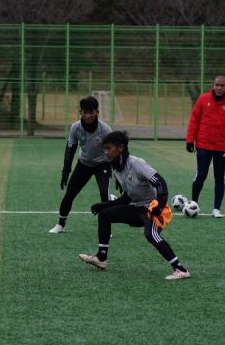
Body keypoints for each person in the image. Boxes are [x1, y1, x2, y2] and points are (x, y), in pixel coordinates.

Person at [78, 131, 190, 280]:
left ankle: (181, 269)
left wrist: (159, 205)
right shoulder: (117, 168)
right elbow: (128, 196)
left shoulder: (136, 163)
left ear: (121, 148)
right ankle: (101, 258)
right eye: (104, 149)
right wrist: (104, 206)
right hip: (139, 209)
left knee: (151, 235)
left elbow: (160, 182)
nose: (105, 152)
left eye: (109, 148)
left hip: (156, 209)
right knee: (104, 216)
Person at [49, 96, 113, 234]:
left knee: (104, 194)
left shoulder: (105, 129)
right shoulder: (75, 127)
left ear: (97, 112)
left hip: (103, 165)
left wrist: (119, 171)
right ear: (81, 112)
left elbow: (116, 149)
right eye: (85, 112)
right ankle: (60, 224)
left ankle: (106, 227)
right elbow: (69, 150)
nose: (88, 116)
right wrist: (65, 172)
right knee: (70, 194)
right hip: (84, 163)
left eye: (91, 112)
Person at [185, 75, 225, 218]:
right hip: (203, 145)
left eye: (222, 85)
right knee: (201, 175)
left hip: (221, 147)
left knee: (219, 178)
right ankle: (194, 203)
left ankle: (216, 209)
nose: (219, 87)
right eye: (217, 85)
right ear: (213, 85)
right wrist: (190, 140)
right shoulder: (203, 99)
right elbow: (194, 120)